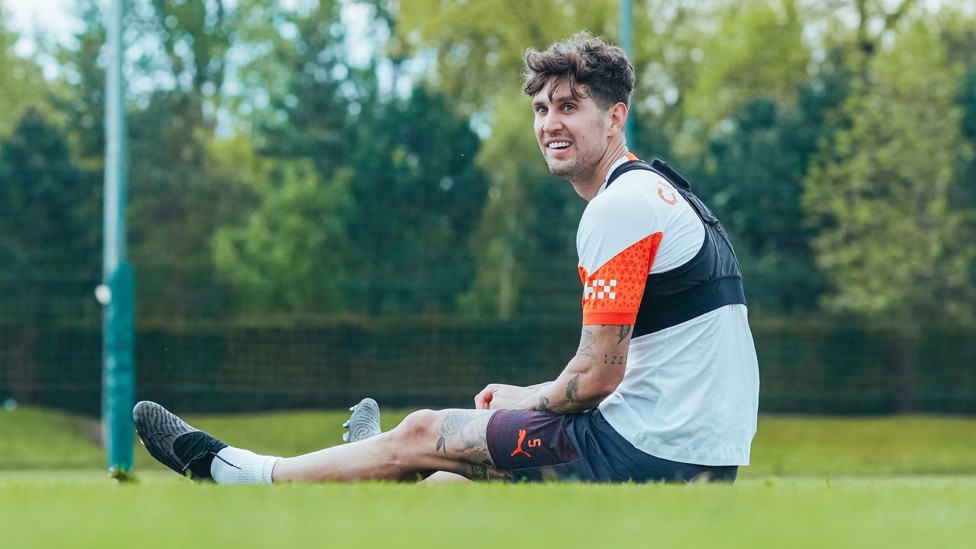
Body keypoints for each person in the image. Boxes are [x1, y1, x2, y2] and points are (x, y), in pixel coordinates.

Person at [134, 31, 759, 485]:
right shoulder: (659, 192)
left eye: (570, 107)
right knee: (447, 485)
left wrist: (523, 397)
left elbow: (597, 378)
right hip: (698, 458)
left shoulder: (619, 208)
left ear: (615, 116)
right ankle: (372, 466)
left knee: (426, 429)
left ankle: (242, 474)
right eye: (541, 109)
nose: (550, 125)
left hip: (645, 451)